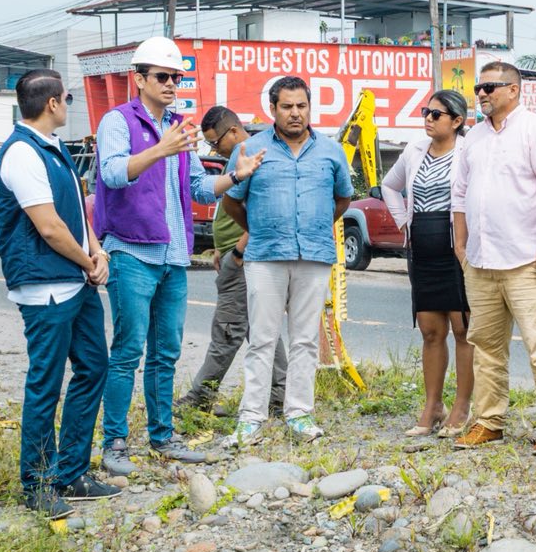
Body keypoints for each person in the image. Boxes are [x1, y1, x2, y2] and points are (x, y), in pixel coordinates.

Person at [94, 37, 254, 474]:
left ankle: (162, 437)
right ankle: (115, 443)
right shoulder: (118, 121)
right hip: (131, 251)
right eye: (162, 76)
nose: (170, 84)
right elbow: (113, 173)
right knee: (128, 350)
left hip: (174, 255)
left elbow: (199, 188)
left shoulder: (179, 126)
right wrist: (160, 149)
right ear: (139, 78)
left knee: (166, 352)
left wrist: (236, 176)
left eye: (176, 78)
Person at [0, 68, 113, 515]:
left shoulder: (55, 146)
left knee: (93, 367)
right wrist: (88, 262)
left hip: (75, 281)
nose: (68, 104)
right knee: (45, 384)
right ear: (52, 103)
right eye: (67, 97)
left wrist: (96, 251)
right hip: (45, 287)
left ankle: (72, 473)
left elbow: (75, 216)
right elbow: (48, 227)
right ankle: (39, 482)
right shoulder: (22, 153)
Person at [450, 62, 536, 455]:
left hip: (528, 261)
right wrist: (461, 245)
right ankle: (489, 422)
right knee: (485, 347)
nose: (481, 93)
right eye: (478, 87)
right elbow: (460, 194)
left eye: (489, 87)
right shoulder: (473, 138)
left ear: (514, 90)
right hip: (481, 262)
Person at [220, 76, 353, 444]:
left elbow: (342, 198)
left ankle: (299, 413)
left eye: (301, 106)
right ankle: (251, 417)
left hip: (314, 254)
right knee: (262, 339)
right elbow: (231, 201)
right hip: (265, 255)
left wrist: (315, 226)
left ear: (309, 107)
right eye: (287, 106)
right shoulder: (250, 149)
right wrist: (260, 228)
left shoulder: (330, 151)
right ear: (273, 109)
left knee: (305, 339)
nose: (295, 113)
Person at [179, 106, 287, 417]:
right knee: (260, 329)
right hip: (234, 254)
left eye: (215, 142)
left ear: (234, 131)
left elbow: (266, 209)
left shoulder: (252, 155)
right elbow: (230, 207)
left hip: (243, 258)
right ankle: (280, 396)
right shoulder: (240, 156)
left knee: (227, 329)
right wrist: (220, 247)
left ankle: (200, 397)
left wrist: (238, 251)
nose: (214, 149)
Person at [381, 88, 473, 436]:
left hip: (456, 249)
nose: (428, 119)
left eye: (436, 114)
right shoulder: (414, 150)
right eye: (426, 112)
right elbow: (390, 186)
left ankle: (462, 407)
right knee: (431, 331)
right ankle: (433, 405)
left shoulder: (469, 151)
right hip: (422, 248)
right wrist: (403, 221)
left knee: (463, 330)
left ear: (457, 121)